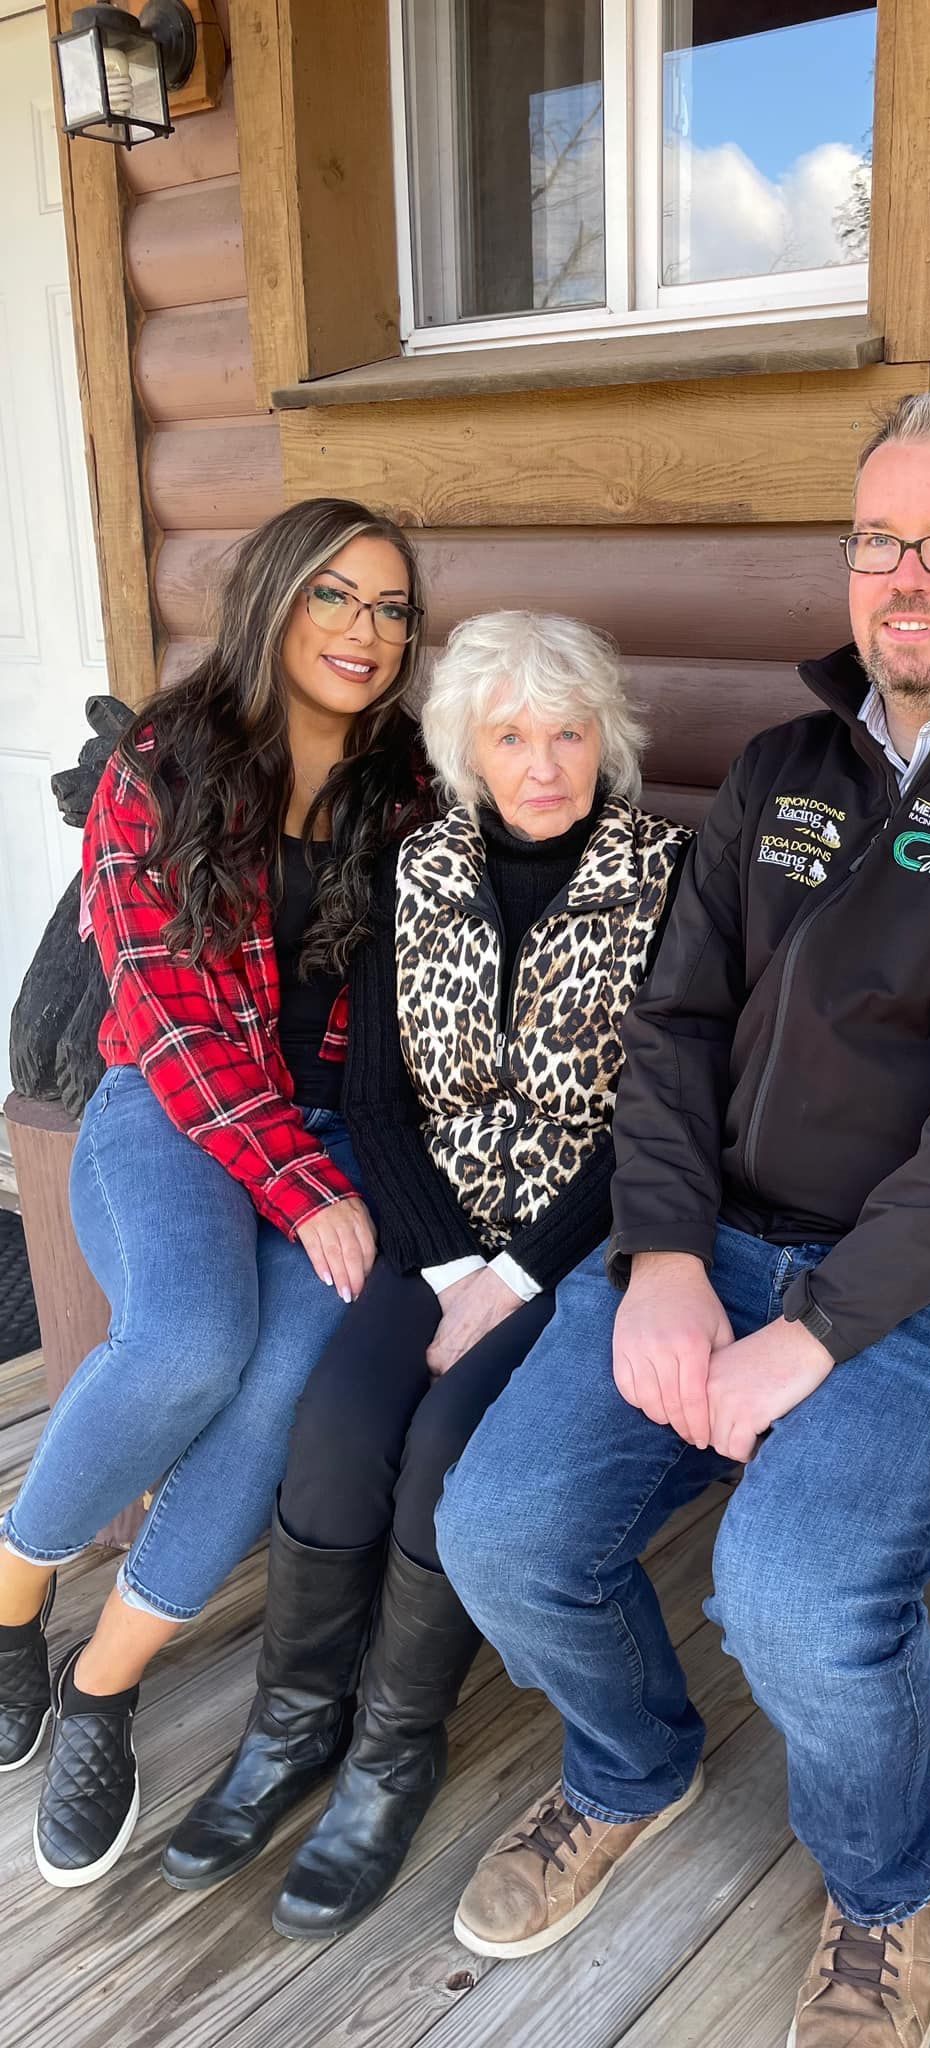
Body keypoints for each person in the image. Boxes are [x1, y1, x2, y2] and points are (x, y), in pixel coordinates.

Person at [435, 391, 930, 2042]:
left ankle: (882, 1892)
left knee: (790, 1590)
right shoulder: (782, 767)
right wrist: (664, 1259)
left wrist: (821, 1329)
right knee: (501, 1530)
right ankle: (629, 1768)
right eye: (877, 541)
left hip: (925, 1282)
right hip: (710, 1235)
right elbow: (674, 1030)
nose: (907, 575)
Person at [163, 612, 691, 1938]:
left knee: (444, 1450)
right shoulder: (421, 869)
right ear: (466, 750)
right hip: (434, 1227)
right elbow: (377, 1102)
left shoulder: (669, 879)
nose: (543, 763)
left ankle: (395, 1752)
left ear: (607, 739)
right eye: (510, 736)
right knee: (340, 1425)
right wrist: (452, 1261)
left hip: (574, 1247)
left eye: (568, 732)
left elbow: (658, 1120)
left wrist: (512, 1278)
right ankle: (294, 1726)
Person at [0, 498, 428, 1889]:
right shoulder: (162, 765)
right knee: (188, 1342)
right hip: (175, 1110)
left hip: (338, 1144)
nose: (366, 630)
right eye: (335, 595)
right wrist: (298, 1186)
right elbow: (174, 1014)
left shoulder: (407, 789)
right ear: (272, 598)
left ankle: (101, 1690)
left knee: (274, 1388)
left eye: (391, 609)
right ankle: (10, 1602)